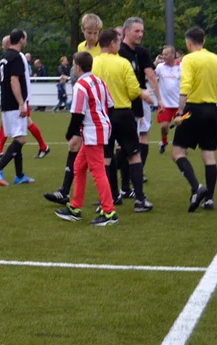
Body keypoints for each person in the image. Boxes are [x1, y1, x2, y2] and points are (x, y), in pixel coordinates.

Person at [171, 27, 217, 211]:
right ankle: (210, 199)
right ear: (204, 41)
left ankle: (197, 187)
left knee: (177, 153)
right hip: (211, 110)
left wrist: (179, 112)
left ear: (188, 43)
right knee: (209, 155)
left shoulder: (189, 59)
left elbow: (186, 86)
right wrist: (214, 92)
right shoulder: (216, 59)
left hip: (191, 109)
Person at [93, 29, 153, 212]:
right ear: (111, 43)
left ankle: (111, 197)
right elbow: (134, 90)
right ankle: (140, 200)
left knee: (106, 158)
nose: (119, 46)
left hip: (102, 116)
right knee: (133, 155)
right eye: (118, 42)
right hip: (123, 113)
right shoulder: (123, 62)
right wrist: (143, 93)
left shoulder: (93, 64)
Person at [53, 52, 117, 226]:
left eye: (74, 65)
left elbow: (77, 114)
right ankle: (75, 207)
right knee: (79, 166)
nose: (73, 68)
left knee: (97, 171)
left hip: (92, 132)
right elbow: (111, 106)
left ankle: (110, 213)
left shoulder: (81, 85)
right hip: (100, 128)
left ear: (78, 67)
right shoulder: (99, 81)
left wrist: (70, 133)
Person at [0, 35, 50, 160]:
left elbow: (20, 78)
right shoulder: (9, 57)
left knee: (25, 124)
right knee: (18, 123)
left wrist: (22, 99)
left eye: (4, 44)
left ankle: (43, 147)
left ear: (9, 44)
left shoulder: (17, 57)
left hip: (21, 97)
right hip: (17, 96)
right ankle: (42, 147)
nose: (2, 47)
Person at [117, 17, 161, 197]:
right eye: (137, 31)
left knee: (139, 139)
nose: (140, 34)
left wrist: (159, 99)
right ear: (126, 32)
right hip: (120, 105)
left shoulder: (142, 52)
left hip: (139, 103)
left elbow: (150, 74)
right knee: (125, 146)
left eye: (142, 31)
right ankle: (119, 184)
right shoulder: (119, 52)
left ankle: (128, 186)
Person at [0, 29, 36, 186]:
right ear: (21, 40)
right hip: (15, 104)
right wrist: (21, 103)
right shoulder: (16, 57)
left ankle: (20, 176)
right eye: (25, 39)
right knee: (21, 139)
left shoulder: (5, 57)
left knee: (17, 137)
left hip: (6, 102)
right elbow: (14, 81)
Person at [154, 46, 181, 154]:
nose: (164, 56)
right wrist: (154, 64)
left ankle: (180, 147)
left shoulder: (181, 67)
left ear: (173, 55)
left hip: (178, 103)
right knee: (164, 127)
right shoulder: (160, 67)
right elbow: (151, 76)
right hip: (164, 104)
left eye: (166, 54)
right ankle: (164, 141)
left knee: (181, 127)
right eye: (163, 54)